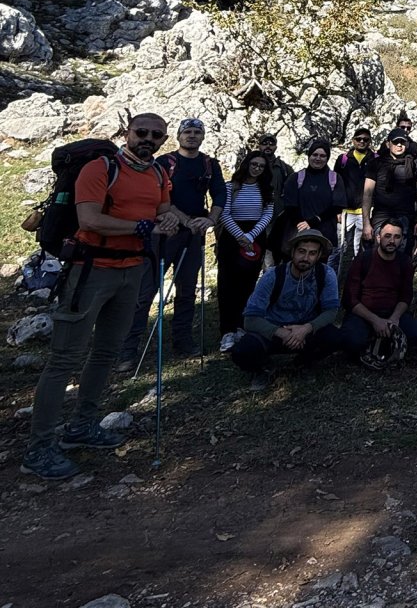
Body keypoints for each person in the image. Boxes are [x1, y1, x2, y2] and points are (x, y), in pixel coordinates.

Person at [21, 114, 180, 480]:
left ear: (163, 139)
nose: (148, 139)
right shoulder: (100, 168)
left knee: (107, 351)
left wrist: (171, 219)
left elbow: (162, 210)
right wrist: (141, 227)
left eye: (156, 135)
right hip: (91, 270)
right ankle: (39, 447)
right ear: (128, 132)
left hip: (133, 269)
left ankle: (82, 425)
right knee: (65, 358)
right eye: (142, 132)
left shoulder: (158, 174)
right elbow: (89, 219)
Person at [117, 117, 225, 370]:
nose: (192, 136)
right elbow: (158, 196)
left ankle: (183, 341)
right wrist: (186, 220)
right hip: (163, 233)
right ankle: (128, 350)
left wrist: (210, 220)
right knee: (146, 291)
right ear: (178, 136)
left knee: (187, 289)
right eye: (187, 132)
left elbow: (220, 193)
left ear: (203, 136)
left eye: (197, 132)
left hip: (194, 234)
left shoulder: (209, 164)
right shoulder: (164, 163)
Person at [228, 229, 341, 391]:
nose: (306, 258)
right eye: (301, 251)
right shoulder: (273, 276)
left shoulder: (326, 274)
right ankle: (262, 368)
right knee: (242, 350)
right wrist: (282, 333)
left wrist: (306, 328)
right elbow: (250, 319)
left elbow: (331, 311)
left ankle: (303, 363)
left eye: (312, 253)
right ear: (292, 251)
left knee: (335, 337)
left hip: (306, 331)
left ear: (318, 256)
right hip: (274, 331)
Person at [337, 219, 417, 360]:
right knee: (351, 340)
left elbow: (406, 296)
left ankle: (383, 342)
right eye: (387, 236)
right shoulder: (363, 259)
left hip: (392, 314)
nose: (392, 241)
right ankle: (372, 341)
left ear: (402, 240)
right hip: (365, 314)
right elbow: (350, 299)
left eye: (397, 237)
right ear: (378, 237)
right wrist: (375, 321)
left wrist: (394, 318)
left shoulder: (405, 262)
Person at [217, 151, 275, 351]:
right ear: (246, 164)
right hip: (232, 237)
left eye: (261, 166)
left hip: (255, 237)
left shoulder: (266, 190)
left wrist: (250, 236)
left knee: (248, 284)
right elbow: (224, 213)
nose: (257, 168)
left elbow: (267, 214)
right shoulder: (230, 187)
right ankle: (227, 331)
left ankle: (242, 326)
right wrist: (240, 236)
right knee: (227, 284)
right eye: (254, 164)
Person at [283, 139, 348, 271]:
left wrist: (313, 221)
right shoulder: (296, 178)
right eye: (315, 155)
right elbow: (290, 205)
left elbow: (337, 206)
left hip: (324, 235)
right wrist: (302, 223)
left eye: (322, 156)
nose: (318, 158)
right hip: (298, 233)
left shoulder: (335, 179)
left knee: (319, 271)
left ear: (327, 158)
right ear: (309, 156)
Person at [362, 127, 417, 253]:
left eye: (402, 142)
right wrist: (366, 223)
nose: (399, 145)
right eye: (396, 142)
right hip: (381, 216)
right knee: (378, 253)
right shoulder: (376, 163)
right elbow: (367, 193)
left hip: (406, 216)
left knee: (402, 255)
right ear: (388, 144)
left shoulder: (414, 163)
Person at [254, 132, 293, 264]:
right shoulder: (252, 165)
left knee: (272, 254)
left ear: (276, 146)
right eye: (264, 143)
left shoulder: (284, 168)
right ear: (259, 146)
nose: (268, 146)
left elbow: (292, 191)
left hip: (277, 218)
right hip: (254, 217)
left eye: (271, 143)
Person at [336, 127, 373, 259]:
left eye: (365, 139)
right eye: (358, 139)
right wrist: (337, 210)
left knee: (362, 249)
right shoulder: (343, 159)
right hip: (345, 212)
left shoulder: (375, 159)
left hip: (365, 213)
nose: (362, 141)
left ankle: (359, 271)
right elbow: (336, 185)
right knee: (339, 248)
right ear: (353, 140)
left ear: (369, 141)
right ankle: (336, 272)